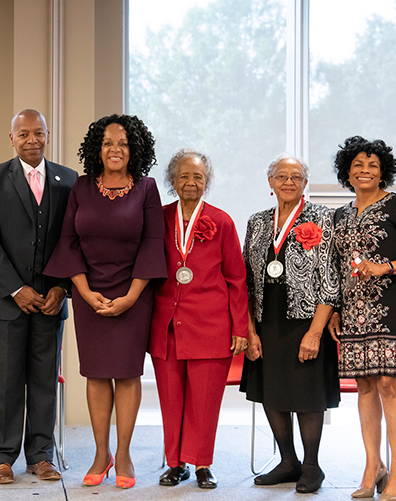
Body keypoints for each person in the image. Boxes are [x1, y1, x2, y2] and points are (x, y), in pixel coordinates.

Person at [45, 114, 165, 489]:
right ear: (97, 148)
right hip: (88, 293)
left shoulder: (146, 188)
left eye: (124, 143)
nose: (116, 149)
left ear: (135, 150)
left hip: (134, 293)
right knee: (96, 374)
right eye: (109, 142)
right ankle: (101, 453)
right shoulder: (81, 188)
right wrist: (82, 290)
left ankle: (125, 453)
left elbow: (152, 243)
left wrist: (131, 296)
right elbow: (67, 241)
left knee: (128, 373)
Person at [0, 109, 77, 484]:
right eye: (24, 134)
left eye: (39, 133)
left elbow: (73, 239)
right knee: (4, 383)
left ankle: (41, 455)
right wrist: (16, 289)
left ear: (48, 135)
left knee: (45, 379)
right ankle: (1, 457)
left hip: (50, 300)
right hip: (7, 302)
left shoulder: (69, 179)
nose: (32, 139)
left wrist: (61, 288)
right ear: (11, 137)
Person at [326, 136, 396, 501]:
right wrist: (335, 309)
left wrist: (384, 267)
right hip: (352, 312)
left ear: (383, 171)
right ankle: (373, 466)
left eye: (372, 165)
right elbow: (337, 267)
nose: (364, 170)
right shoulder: (340, 214)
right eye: (357, 165)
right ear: (347, 173)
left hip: (391, 309)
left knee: (388, 384)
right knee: (365, 387)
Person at [239, 154, 340, 494]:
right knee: (273, 390)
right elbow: (247, 280)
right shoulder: (256, 222)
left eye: (295, 176)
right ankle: (288, 462)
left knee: (308, 393)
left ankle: (311, 465)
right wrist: (250, 330)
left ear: (305, 183)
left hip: (306, 317)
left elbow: (330, 278)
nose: (288, 182)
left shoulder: (322, 217)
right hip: (268, 318)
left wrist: (315, 331)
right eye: (281, 176)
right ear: (270, 182)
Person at [149, 148, 249, 489]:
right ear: (172, 181)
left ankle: (203, 463)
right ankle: (175, 464)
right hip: (167, 326)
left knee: (204, 402)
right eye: (184, 176)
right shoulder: (158, 218)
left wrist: (240, 327)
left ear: (207, 183)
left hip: (211, 325)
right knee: (171, 399)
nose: (190, 183)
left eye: (198, 177)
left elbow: (237, 279)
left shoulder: (221, 221)